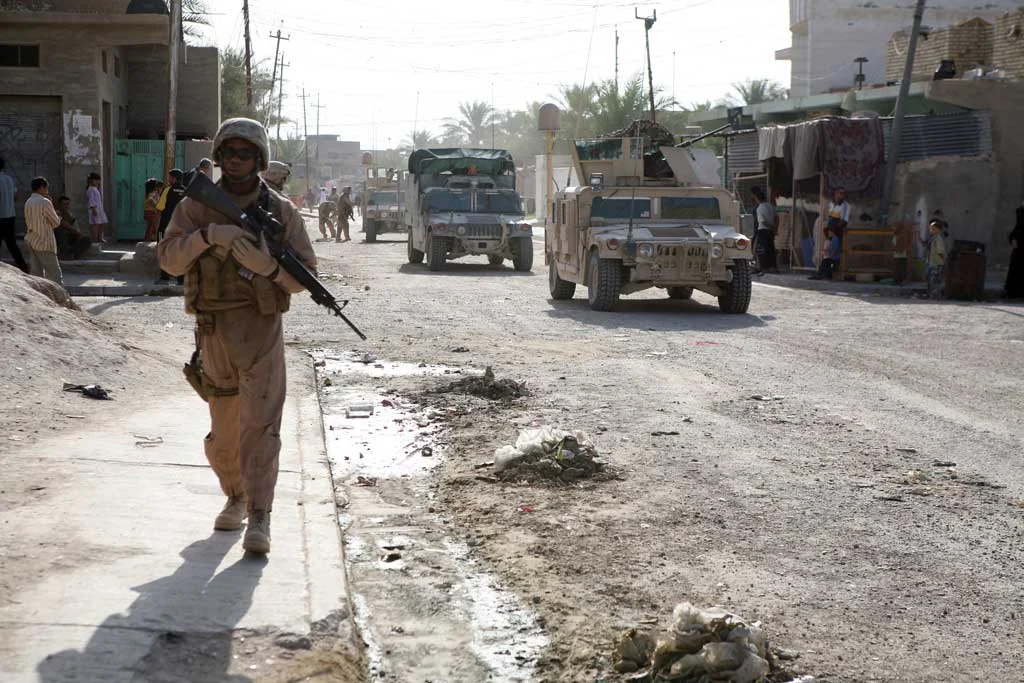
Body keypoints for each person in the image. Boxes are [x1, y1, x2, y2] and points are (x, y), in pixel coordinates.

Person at [157, 117, 315, 556]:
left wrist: (270, 269)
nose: (237, 160)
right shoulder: (196, 206)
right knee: (223, 433)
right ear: (221, 156)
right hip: (213, 330)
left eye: (246, 153)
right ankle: (236, 496)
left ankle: (261, 517)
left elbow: (306, 276)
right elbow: (168, 259)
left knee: (260, 428)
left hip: (260, 329)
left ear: (260, 159)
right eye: (230, 152)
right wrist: (208, 236)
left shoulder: (281, 211)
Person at [24, 177, 63, 285]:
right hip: (45, 242)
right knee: (54, 275)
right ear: (41, 187)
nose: (47, 190)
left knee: (36, 274)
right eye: (46, 187)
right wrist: (58, 215)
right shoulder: (45, 202)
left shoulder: (28, 201)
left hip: (32, 240)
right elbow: (56, 222)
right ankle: (59, 299)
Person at [156, 169, 186, 284]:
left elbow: (159, 209)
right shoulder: (186, 191)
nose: (168, 179)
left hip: (165, 226)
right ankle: (181, 279)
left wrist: (156, 228)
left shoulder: (168, 190)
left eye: (169, 177)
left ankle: (164, 277)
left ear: (174, 178)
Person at [0, 157, 29, 273]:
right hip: (10, 216)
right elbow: (15, 197)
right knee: (12, 244)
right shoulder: (9, 179)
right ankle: (24, 267)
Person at [55, 195, 92, 260]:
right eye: (64, 204)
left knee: (86, 240)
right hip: (59, 237)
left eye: (68, 204)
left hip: (70, 237)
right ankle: (66, 253)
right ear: (59, 205)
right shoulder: (56, 213)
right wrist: (75, 230)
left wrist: (77, 233)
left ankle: (74, 253)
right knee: (61, 231)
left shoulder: (70, 214)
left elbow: (76, 228)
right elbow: (62, 223)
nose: (66, 206)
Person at [750, 187, 777, 274]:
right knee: (771, 249)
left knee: (761, 250)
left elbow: (763, 221)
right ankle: (772, 267)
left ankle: (763, 267)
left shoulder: (760, 208)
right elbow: (777, 217)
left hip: (762, 230)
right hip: (770, 231)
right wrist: (774, 228)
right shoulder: (770, 206)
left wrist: (770, 226)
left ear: (757, 198)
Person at [923, 219, 947, 299]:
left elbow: (940, 252)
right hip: (931, 262)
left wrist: (943, 262)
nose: (931, 230)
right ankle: (931, 296)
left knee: (935, 281)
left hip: (936, 263)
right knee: (930, 280)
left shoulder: (938, 239)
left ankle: (935, 297)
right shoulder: (932, 238)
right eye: (930, 228)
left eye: (933, 229)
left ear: (938, 230)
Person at [1004, 205, 1024, 299]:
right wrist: (1012, 239)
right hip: (1018, 249)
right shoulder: (1019, 224)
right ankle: (1013, 292)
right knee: (1015, 268)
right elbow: (1015, 231)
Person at [86, 172, 108, 245]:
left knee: (101, 223)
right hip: (94, 209)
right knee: (95, 224)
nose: (97, 182)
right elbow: (91, 200)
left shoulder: (96, 189)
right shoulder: (91, 189)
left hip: (99, 208)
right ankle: (94, 238)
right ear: (90, 181)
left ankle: (100, 237)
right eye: (95, 180)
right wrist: (94, 209)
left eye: (98, 180)